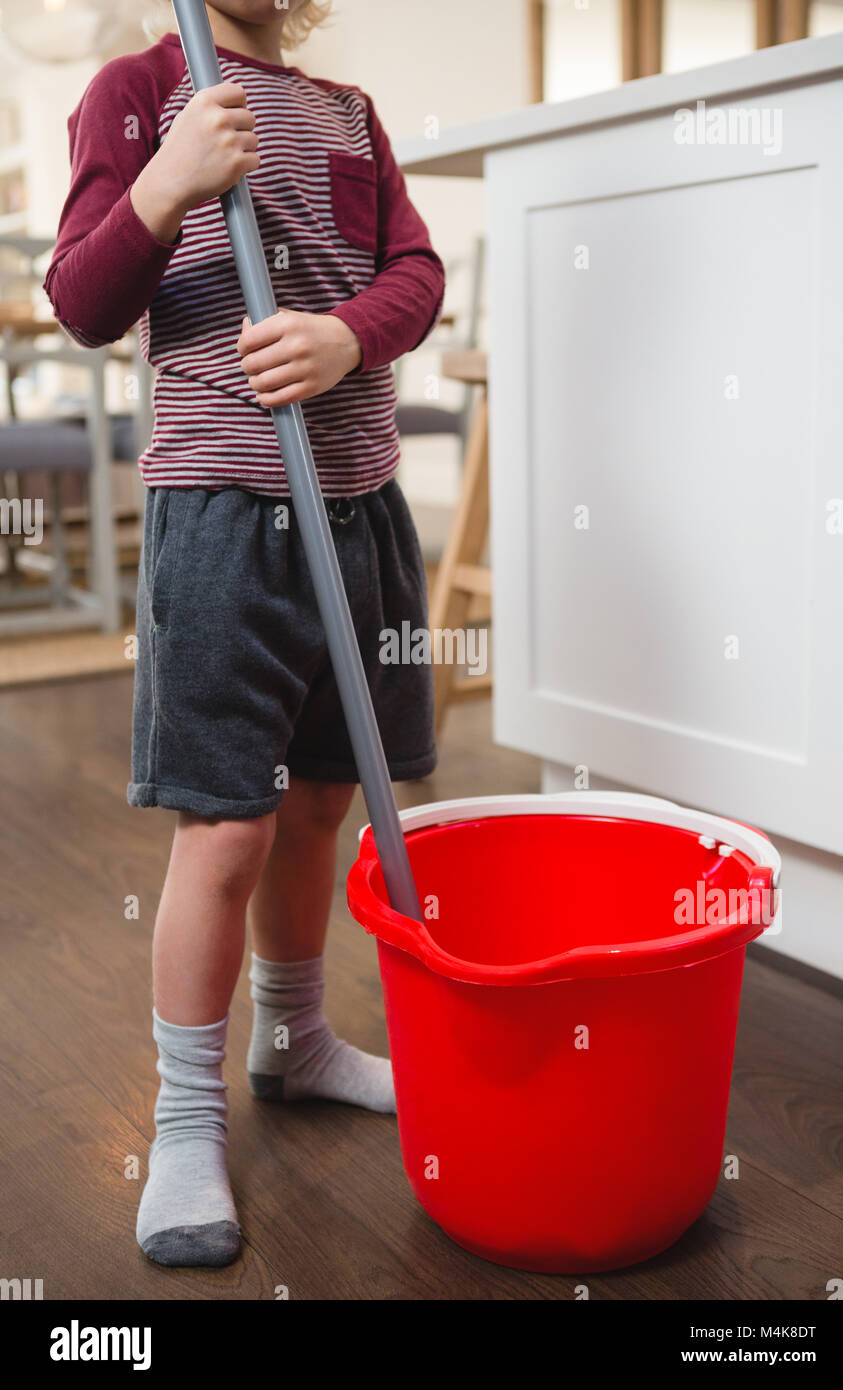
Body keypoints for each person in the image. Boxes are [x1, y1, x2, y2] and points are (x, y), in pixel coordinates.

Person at [44, 0, 444, 1268]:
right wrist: (166, 182)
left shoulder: (347, 113)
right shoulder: (135, 90)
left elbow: (415, 272)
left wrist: (346, 335)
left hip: (360, 503)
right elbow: (83, 302)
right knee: (228, 822)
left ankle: (295, 1038)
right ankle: (183, 1116)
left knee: (324, 798)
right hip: (222, 517)